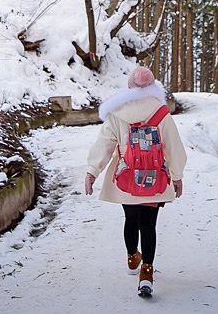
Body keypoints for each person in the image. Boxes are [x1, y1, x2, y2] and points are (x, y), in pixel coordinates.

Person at [84, 66, 187, 298]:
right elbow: (173, 147)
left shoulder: (117, 113)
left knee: (131, 218)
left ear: (130, 87)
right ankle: (147, 273)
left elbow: (105, 144)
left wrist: (92, 171)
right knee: (148, 225)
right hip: (155, 180)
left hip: (126, 177)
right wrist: (177, 176)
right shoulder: (161, 112)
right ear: (152, 87)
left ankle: (133, 257)